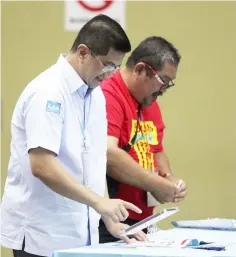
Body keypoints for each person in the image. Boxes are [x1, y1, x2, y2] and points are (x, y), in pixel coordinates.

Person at [0, 14, 146, 257]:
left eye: (116, 67)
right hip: (42, 234)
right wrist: (99, 203)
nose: (110, 74)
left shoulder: (95, 95)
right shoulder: (48, 91)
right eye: (107, 65)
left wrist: (108, 217)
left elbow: (96, 162)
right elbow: (42, 166)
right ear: (83, 52)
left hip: (81, 234)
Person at [99, 36, 188, 243]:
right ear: (140, 69)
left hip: (142, 219)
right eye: (163, 81)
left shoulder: (149, 101)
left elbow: (156, 149)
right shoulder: (109, 94)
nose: (164, 89)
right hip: (112, 218)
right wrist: (157, 184)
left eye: (169, 83)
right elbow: (108, 155)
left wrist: (168, 178)